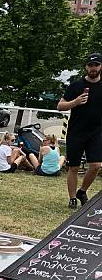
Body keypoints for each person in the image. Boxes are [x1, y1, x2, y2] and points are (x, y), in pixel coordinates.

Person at [57, 53, 102, 209]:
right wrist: (75, 102)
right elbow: (60, 106)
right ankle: (72, 199)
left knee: (96, 165)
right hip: (76, 132)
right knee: (74, 167)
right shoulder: (76, 86)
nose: (93, 68)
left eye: (96, 65)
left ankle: (82, 191)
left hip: (96, 132)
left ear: (100, 66)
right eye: (90, 65)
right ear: (86, 67)